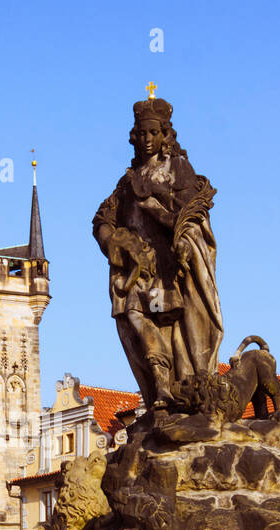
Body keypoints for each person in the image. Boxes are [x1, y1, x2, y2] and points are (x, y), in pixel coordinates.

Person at [93, 95, 224, 411]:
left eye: (155, 133)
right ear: (135, 137)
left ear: (165, 134)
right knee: (137, 321)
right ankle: (161, 391)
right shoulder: (126, 182)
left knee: (173, 334)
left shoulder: (176, 168)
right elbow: (102, 218)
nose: (148, 140)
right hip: (135, 269)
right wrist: (113, 240)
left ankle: (178, 393)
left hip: (166, 271)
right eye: (143, 134)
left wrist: (182, 236)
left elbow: (192, 214)